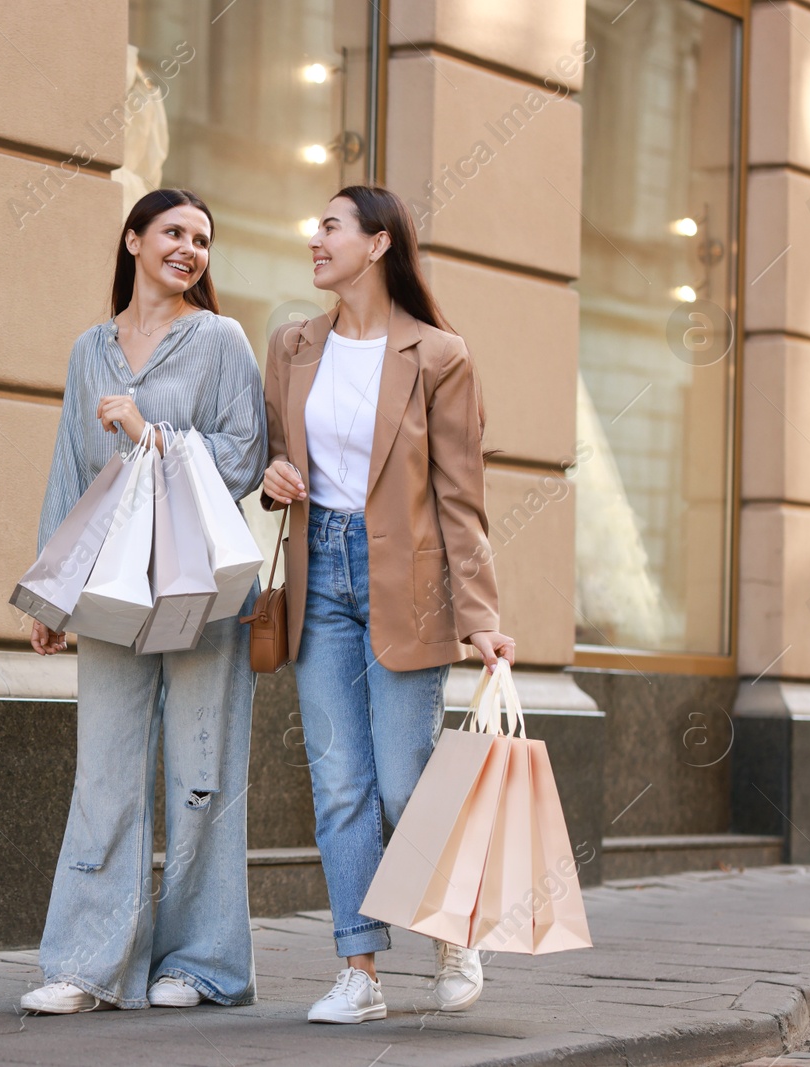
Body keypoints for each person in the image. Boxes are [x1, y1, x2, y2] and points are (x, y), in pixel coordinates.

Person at [259, 185, 517, 1024]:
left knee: (406, 784)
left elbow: (460, 499)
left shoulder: (439, 354)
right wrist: (274, 479)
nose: (314, 237)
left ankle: (454, 934)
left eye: (329, 225)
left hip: (405, 585)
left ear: (376, 244)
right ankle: (359, 970)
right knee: (338, 784)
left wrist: (481, 620)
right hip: (318, 578)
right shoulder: (292, 345)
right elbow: (271, 454)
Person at [19, 189, 266, 1014]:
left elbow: (242, 456)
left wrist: (151, 433)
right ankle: (86, 965)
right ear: (133, 240)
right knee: (104, 772)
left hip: (200, 587)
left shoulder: (222, 339)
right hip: (113, 586)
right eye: (173, 232)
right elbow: (67, 471)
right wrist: (50, 597)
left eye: (202, 238)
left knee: (201, 773)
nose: (190, 248)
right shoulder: (90, 348)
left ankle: (198, 963)